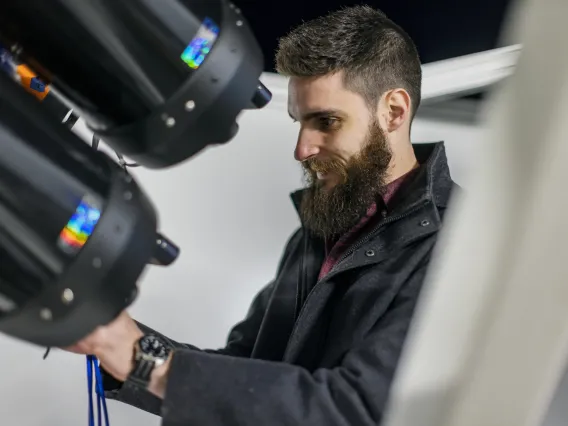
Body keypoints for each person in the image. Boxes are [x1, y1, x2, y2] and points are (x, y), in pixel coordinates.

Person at [66, 5, 457, 426]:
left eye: (326, 121)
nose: (302, 149)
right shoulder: (319, 232)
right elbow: (246, 369)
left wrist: (143, 361)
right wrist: (113, 337)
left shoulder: (458, 246)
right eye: (300, 123)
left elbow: (352, 409)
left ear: (394, 112)